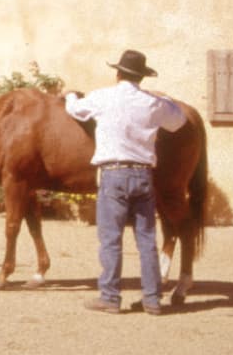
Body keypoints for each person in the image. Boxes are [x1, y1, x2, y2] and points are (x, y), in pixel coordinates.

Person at [63, 49, 187, 316]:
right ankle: (152, 299)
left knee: (110, 238)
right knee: (146, 239)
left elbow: (74, 109)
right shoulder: (153, 103)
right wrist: (166, 99)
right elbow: (179, 121)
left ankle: (110, 297)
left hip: (114, 174)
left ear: (117, 73)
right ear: (141, 77)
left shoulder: (103, 97)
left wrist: (71, 94)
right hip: (143, 175)